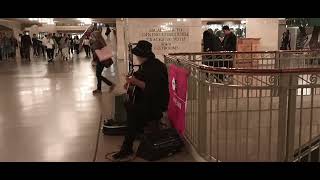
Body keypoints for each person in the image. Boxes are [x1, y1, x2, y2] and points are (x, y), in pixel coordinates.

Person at [112, 40, 169, 160]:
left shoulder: (156, 67)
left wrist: (135, 81)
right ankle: (135, 131)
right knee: (128, 104)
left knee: (132, 110)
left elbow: (151, 89)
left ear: (143, 55)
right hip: (148, 100)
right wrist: (129, 82)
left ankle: (127, 147)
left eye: (138, 55)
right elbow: (138, 76)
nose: (137, 57)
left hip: (156, 104)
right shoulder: (146, 64)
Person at [90, 30, 115, 94]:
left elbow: (96, 52)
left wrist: (93, 60)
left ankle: (110, 84)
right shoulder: (101, 41)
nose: (91, 36)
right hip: (102, 60)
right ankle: (99, 89)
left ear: (95, 36)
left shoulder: (97, 42)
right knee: (98, 74)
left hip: (101, 60)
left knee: (98, 74)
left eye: (92, 35)